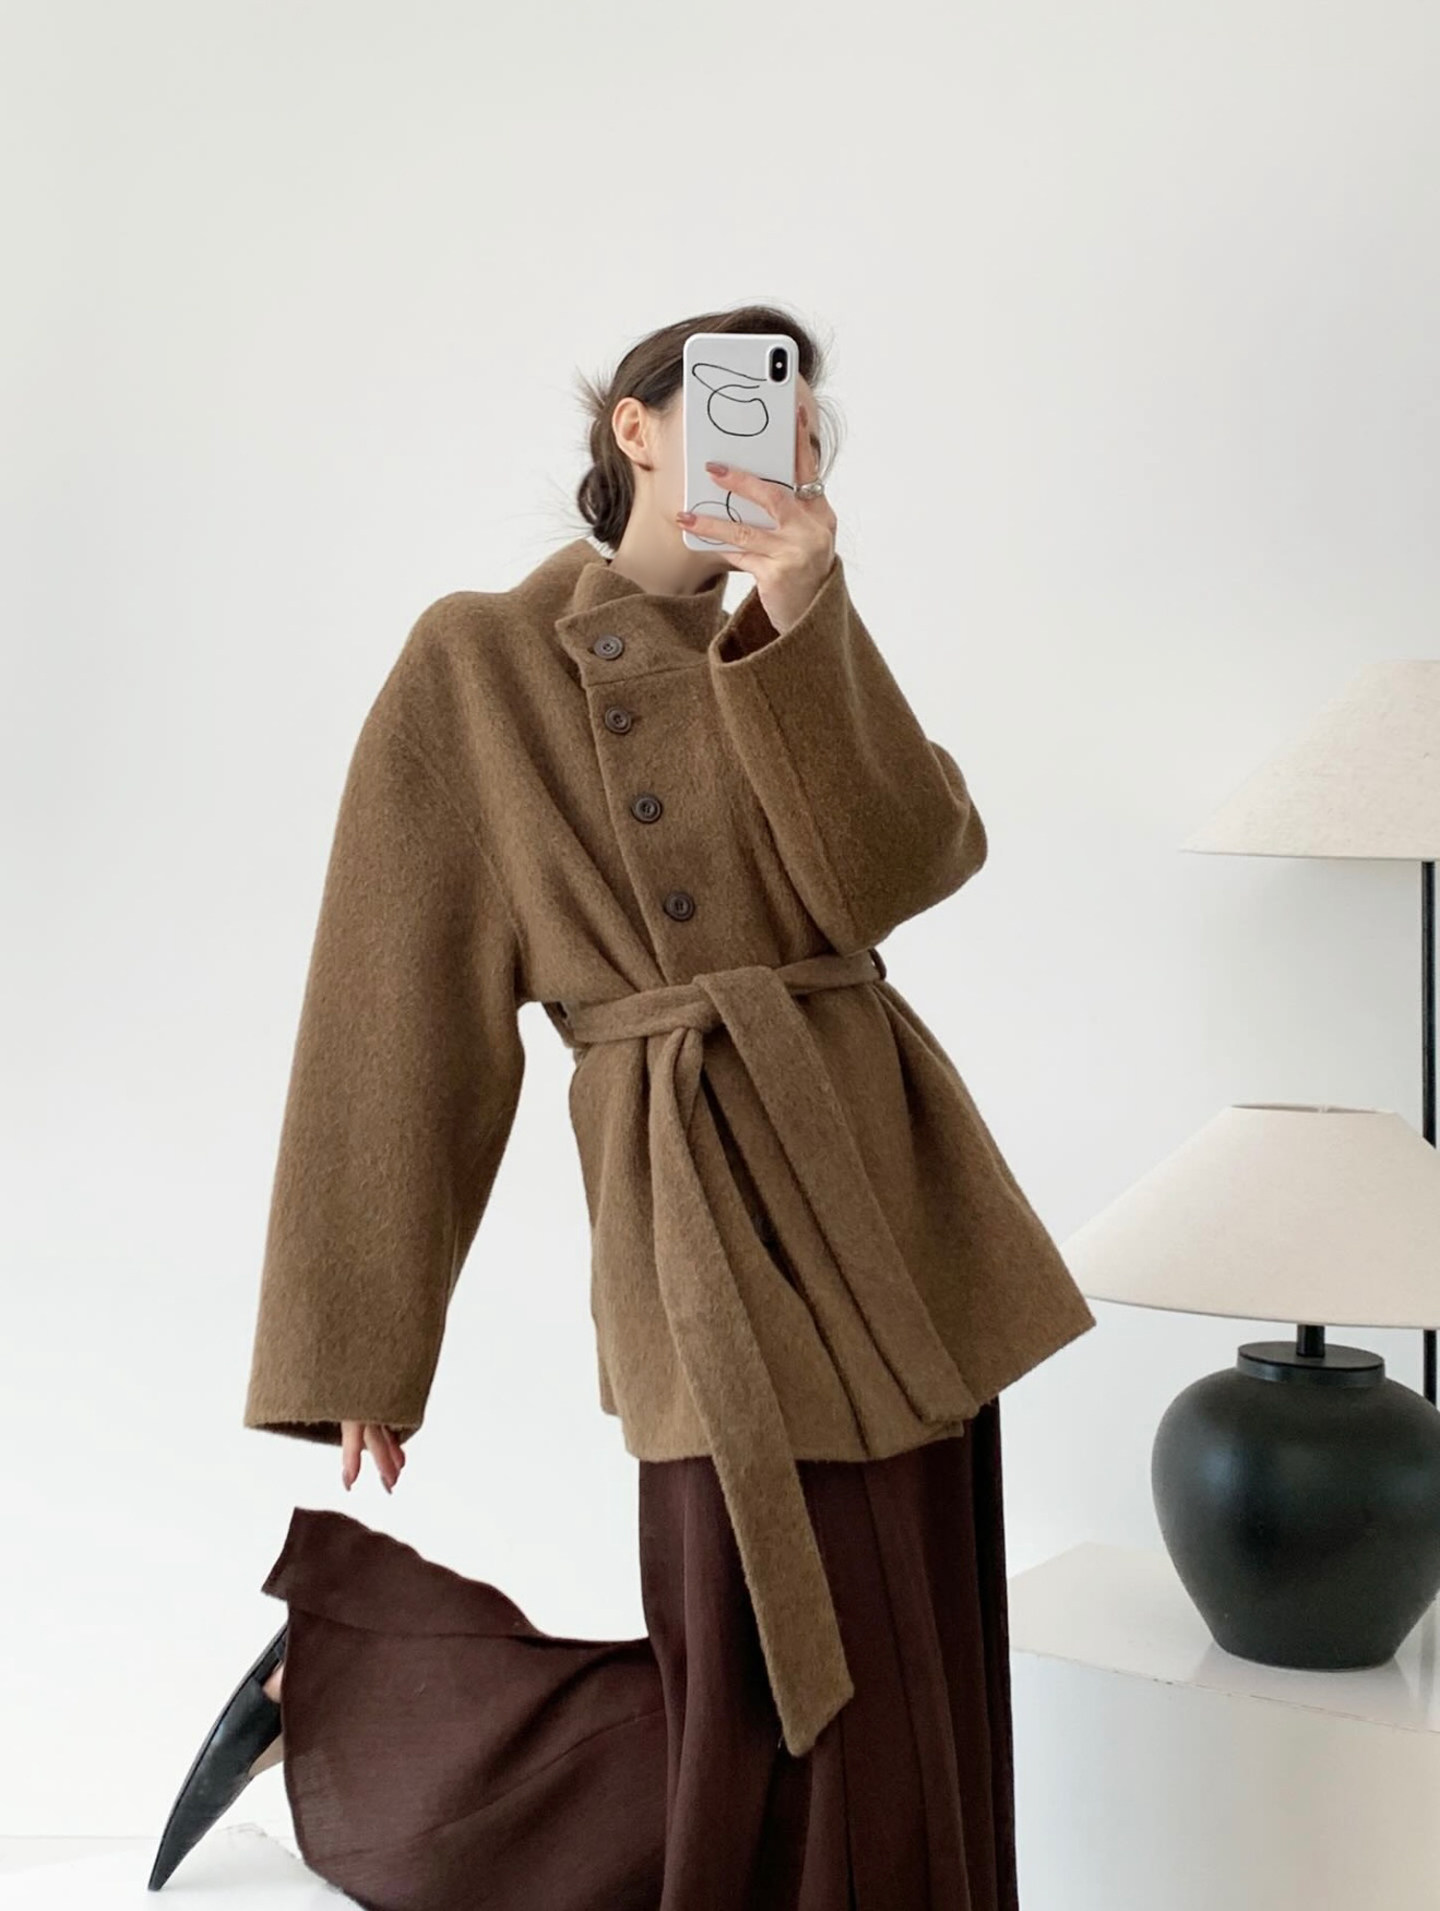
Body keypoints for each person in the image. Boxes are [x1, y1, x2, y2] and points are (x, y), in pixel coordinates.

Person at [148, 301, 1097, 1907]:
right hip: (693, 1199)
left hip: (886, 1191)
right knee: (760, 1674)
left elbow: (906, 867)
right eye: (740, 409)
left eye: (801, 431)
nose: (779, 446)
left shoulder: (791, 641)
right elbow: (397, 998)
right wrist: (359, 1336)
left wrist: (806, 610)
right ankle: (349, 1690)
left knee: (903, 1668)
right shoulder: (476, 660)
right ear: (637, 430)